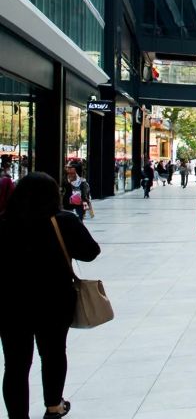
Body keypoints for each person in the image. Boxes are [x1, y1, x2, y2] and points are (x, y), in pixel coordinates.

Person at [0, 173, 101, 419]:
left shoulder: (3, 222)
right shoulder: (63, 221)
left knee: (15, 364)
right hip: (54, 300)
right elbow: (91, 252)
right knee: (53, 353)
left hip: (10, 303)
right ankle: (54, 405)